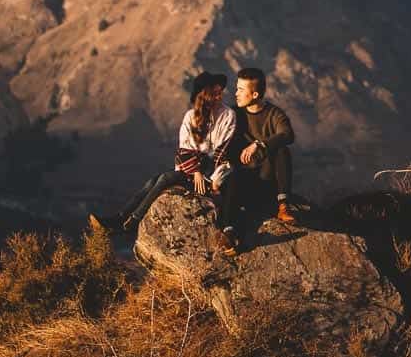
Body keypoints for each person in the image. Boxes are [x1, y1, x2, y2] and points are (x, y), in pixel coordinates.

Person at [91, 72, 239, 250]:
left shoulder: (228, 115)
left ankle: (131, 223)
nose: (219, 97)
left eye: (220, 92)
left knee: (165, 179)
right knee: (152, 182)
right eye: (214, 93)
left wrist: (208, 177)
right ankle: (119, 219)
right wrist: (196, 170)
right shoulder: (191, 117)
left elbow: (220, 152)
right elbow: (184, 149)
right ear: (204, 95)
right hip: (193, 171)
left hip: (213, 174)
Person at [221, 66, 297, 231]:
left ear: (255, 95)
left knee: (281, 150)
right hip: (242, 180)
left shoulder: (274, 114)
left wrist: (259, 144)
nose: (236, 93)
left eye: (241, 90)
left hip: (266, 180)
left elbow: (288, 134)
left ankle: (283, 206)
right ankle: (228, 232)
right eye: (237, 89)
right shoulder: (234, 115)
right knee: (233, 176)